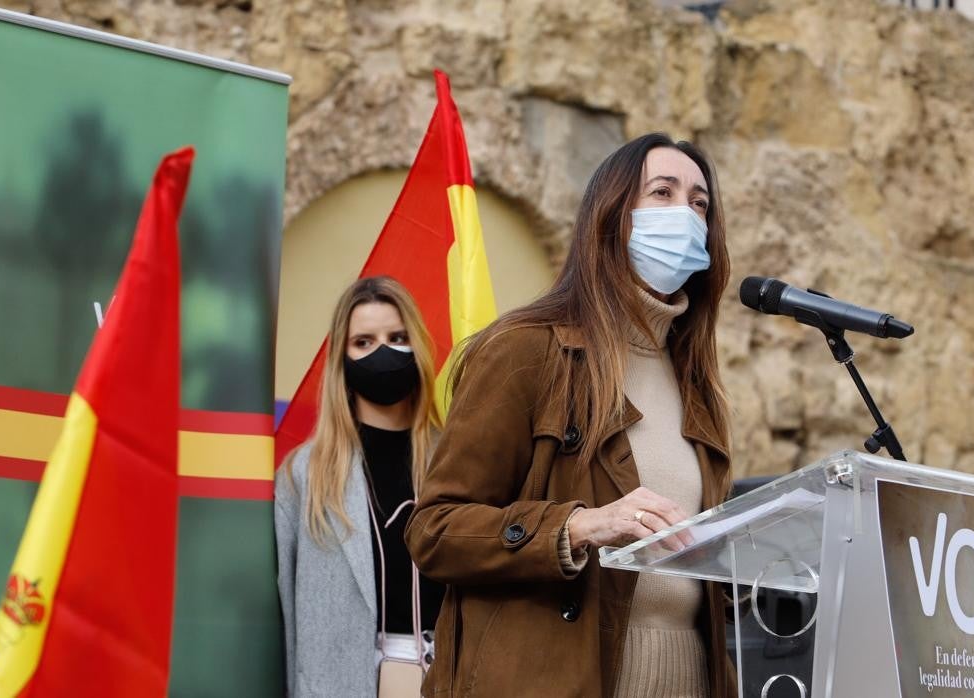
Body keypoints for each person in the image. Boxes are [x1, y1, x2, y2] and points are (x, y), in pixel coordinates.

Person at [406, 133, 735, 698]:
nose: (686, 213)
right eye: (663, 192)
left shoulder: (697, 382)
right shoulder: (525, 349)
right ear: (611, 215)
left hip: (689, 677)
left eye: (700, 203)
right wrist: (577, 526)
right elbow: (435, 530)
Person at [276, 276, 446, 697]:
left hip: (448, 677)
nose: (383, 352)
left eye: (397, 337)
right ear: (343, 358)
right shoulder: (305, 473)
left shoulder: (457, 459)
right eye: (364, 342)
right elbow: (284, 608)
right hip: (341, 682)